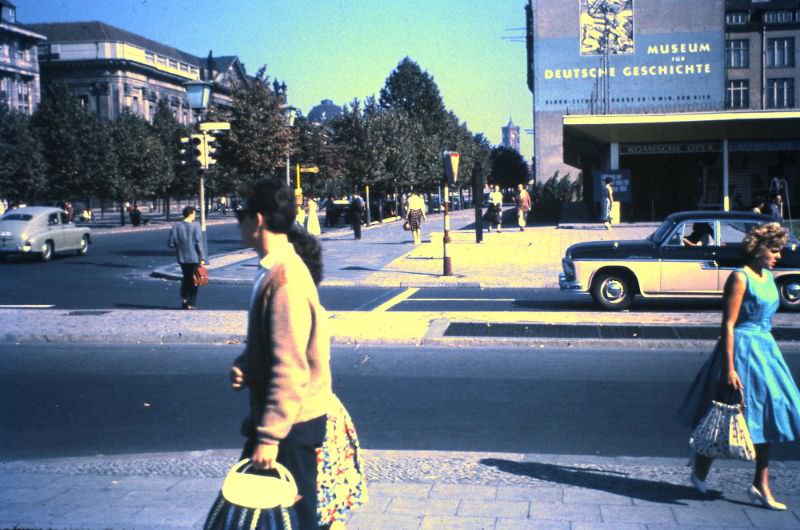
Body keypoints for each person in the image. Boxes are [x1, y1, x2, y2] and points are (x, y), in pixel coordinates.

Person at [229, 179, 366, 529]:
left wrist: (269, 437)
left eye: (240, 214)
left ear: (258, 219)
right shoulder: (275, 271)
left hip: (292, 425)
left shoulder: (285, 280)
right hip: (289, 422)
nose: (237, 222)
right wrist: (248, 365)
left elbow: (290, 367)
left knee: (293, 519)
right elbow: (279, 345)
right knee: (281, 517)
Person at [677, 222, 800, 510]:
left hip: (765, 351)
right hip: (740, 350)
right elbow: (728, 325)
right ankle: (700, 470)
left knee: (769, 416)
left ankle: (760, 484)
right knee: (725, 414)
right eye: (774, 250)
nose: (778, 256)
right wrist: (729, 367)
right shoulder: (739, 278)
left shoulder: (768, 276)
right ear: (757, 249)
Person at [167, 206, 206, 310]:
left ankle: (184, 299)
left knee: (186, 278)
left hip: (182, 257)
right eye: (194, 213)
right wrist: (202, 258)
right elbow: (198, 243)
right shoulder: (196, 226)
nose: (195, 215)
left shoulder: (176, 226)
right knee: (195, 280)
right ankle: (191, 302)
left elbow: (170, 243)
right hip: (194, 257)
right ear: (191, 214)